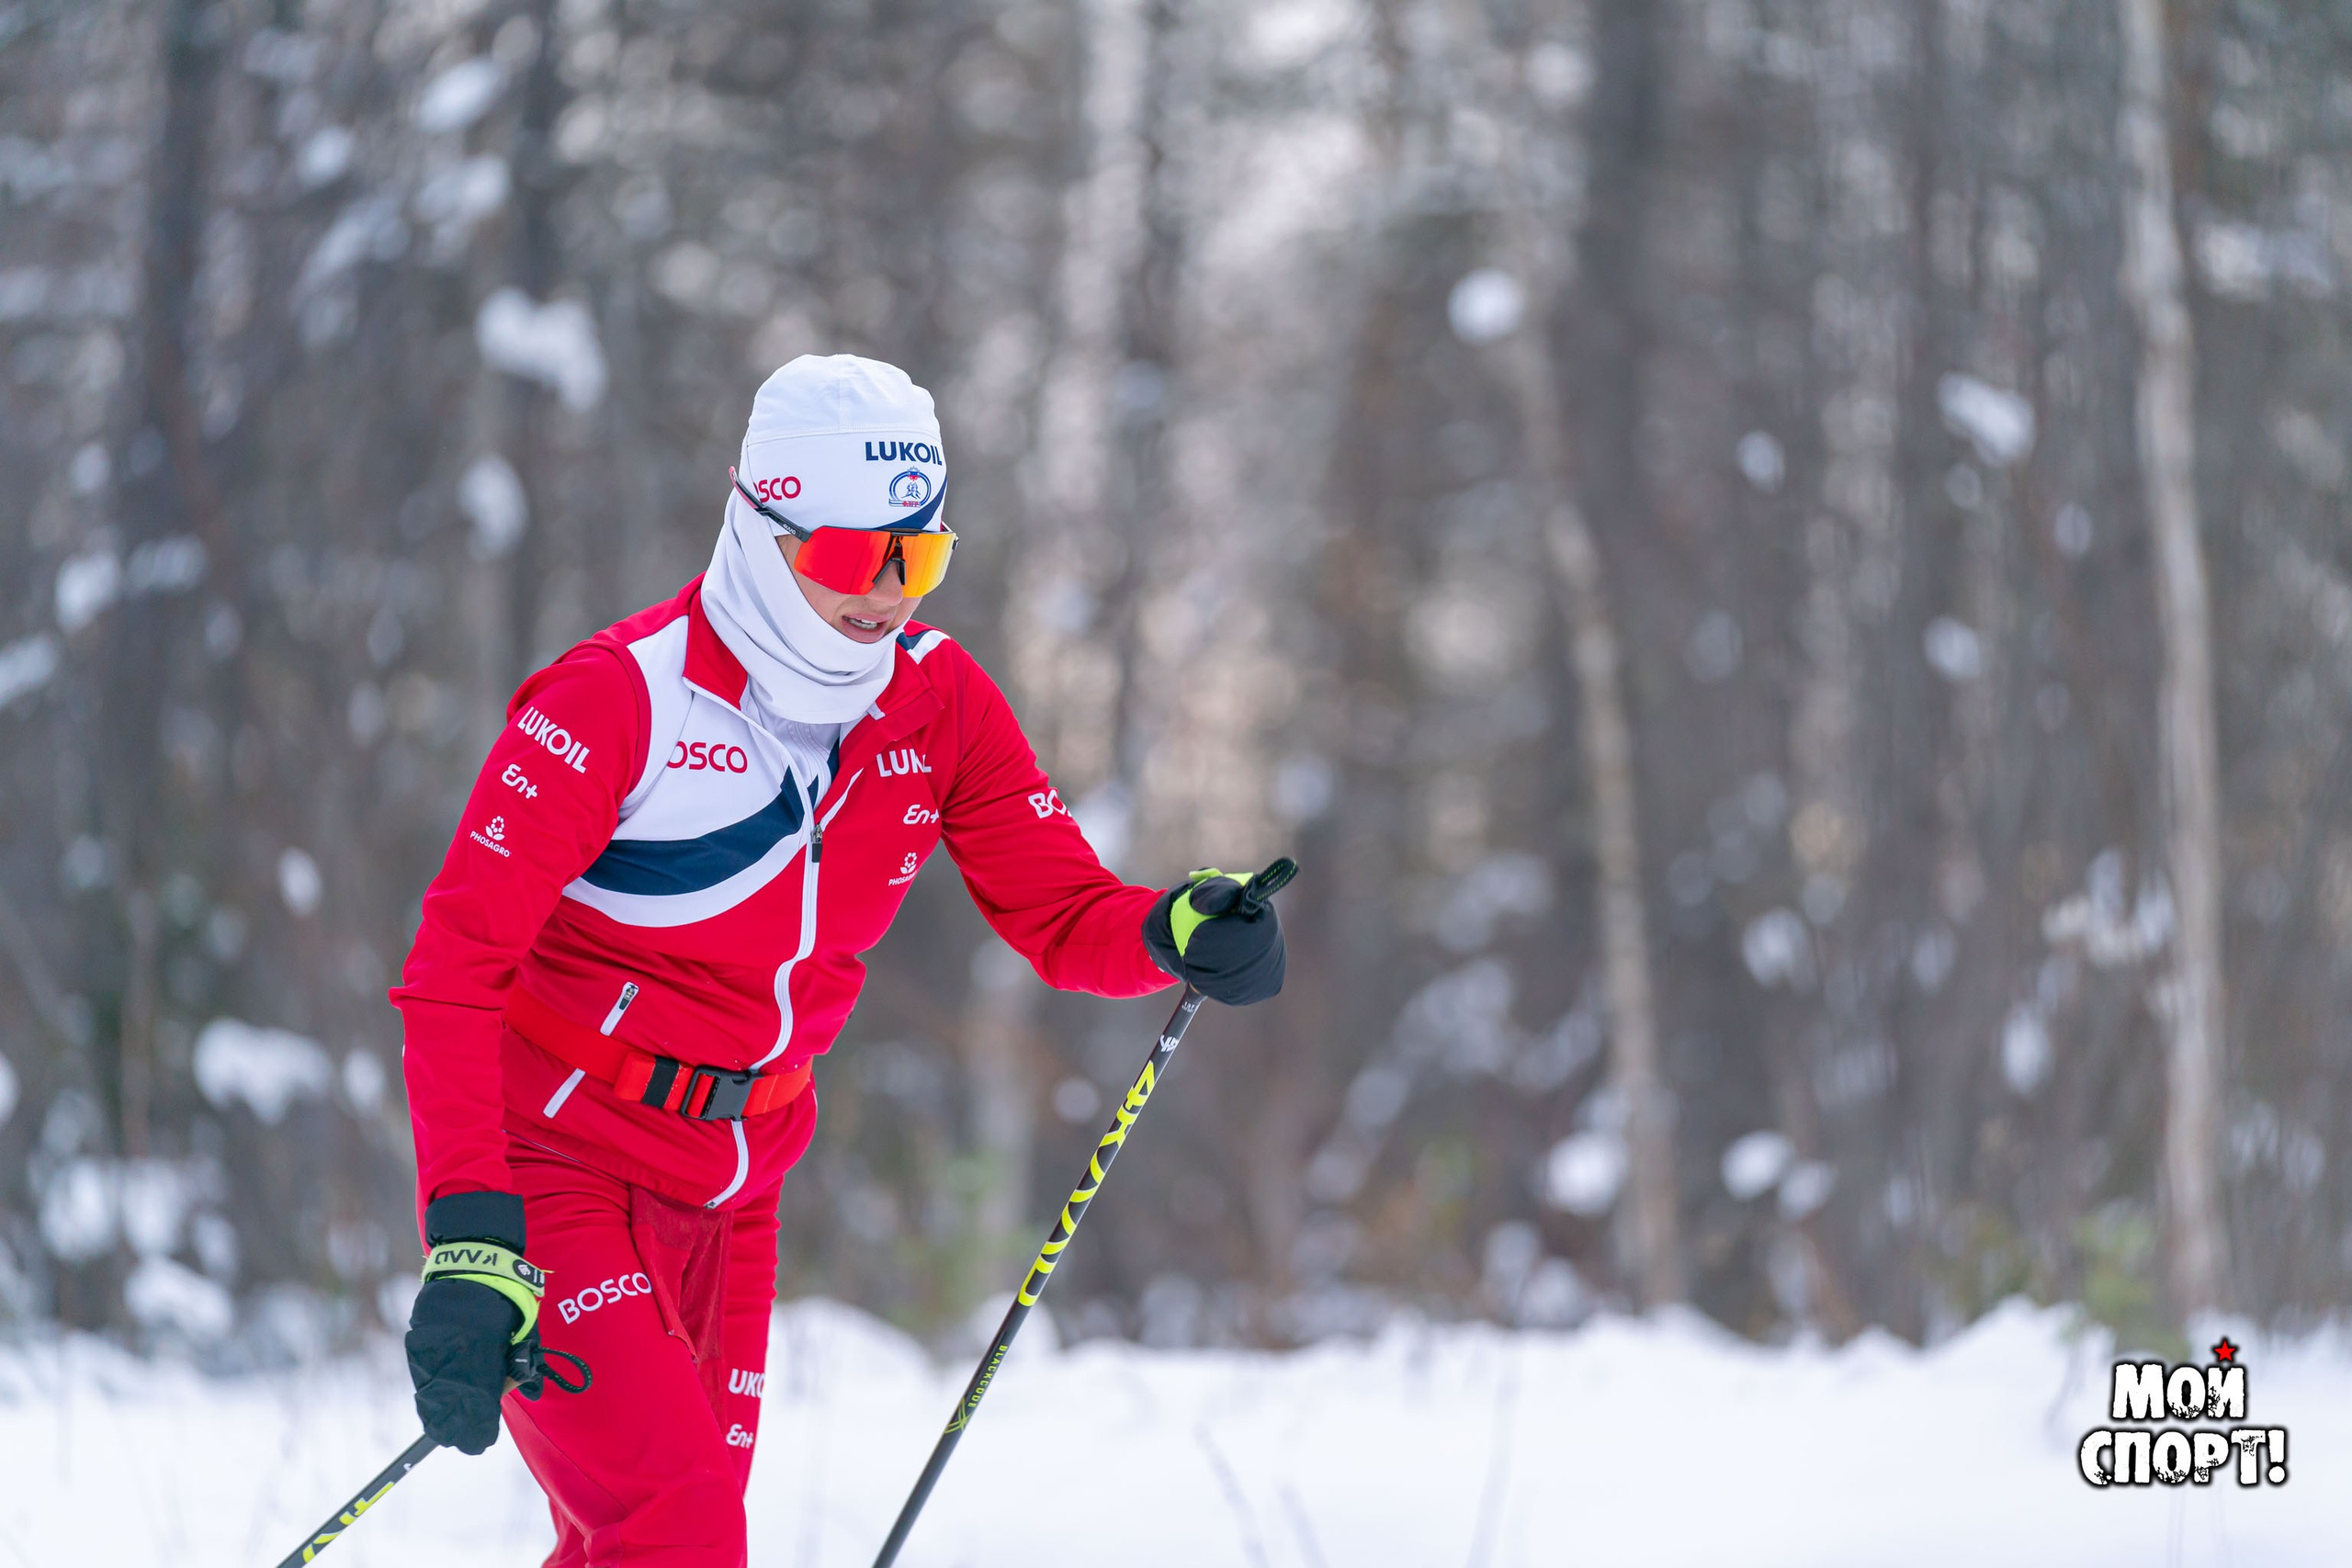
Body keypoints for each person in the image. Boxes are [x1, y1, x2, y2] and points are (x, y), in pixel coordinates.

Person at [390, 355, 1285, 1566]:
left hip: (738, 1178)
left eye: (916, 561)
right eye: (854, 559)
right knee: (678, 1535)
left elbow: (1064, 912)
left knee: (655, 1543)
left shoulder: (937, 702)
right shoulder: (617, 702)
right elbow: (454, 967)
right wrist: (472, 1230)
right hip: (560, 1159)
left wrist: (1180, 927)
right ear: (763, 527)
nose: (886, 600)